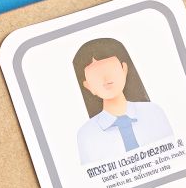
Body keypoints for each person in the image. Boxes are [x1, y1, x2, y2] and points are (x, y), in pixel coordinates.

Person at [72, 37, 174, 165]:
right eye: (95, 74)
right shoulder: (86, 135)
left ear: (124, 69)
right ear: (88, 86)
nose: (106, 78)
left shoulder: (154, 112)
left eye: (110, 68)